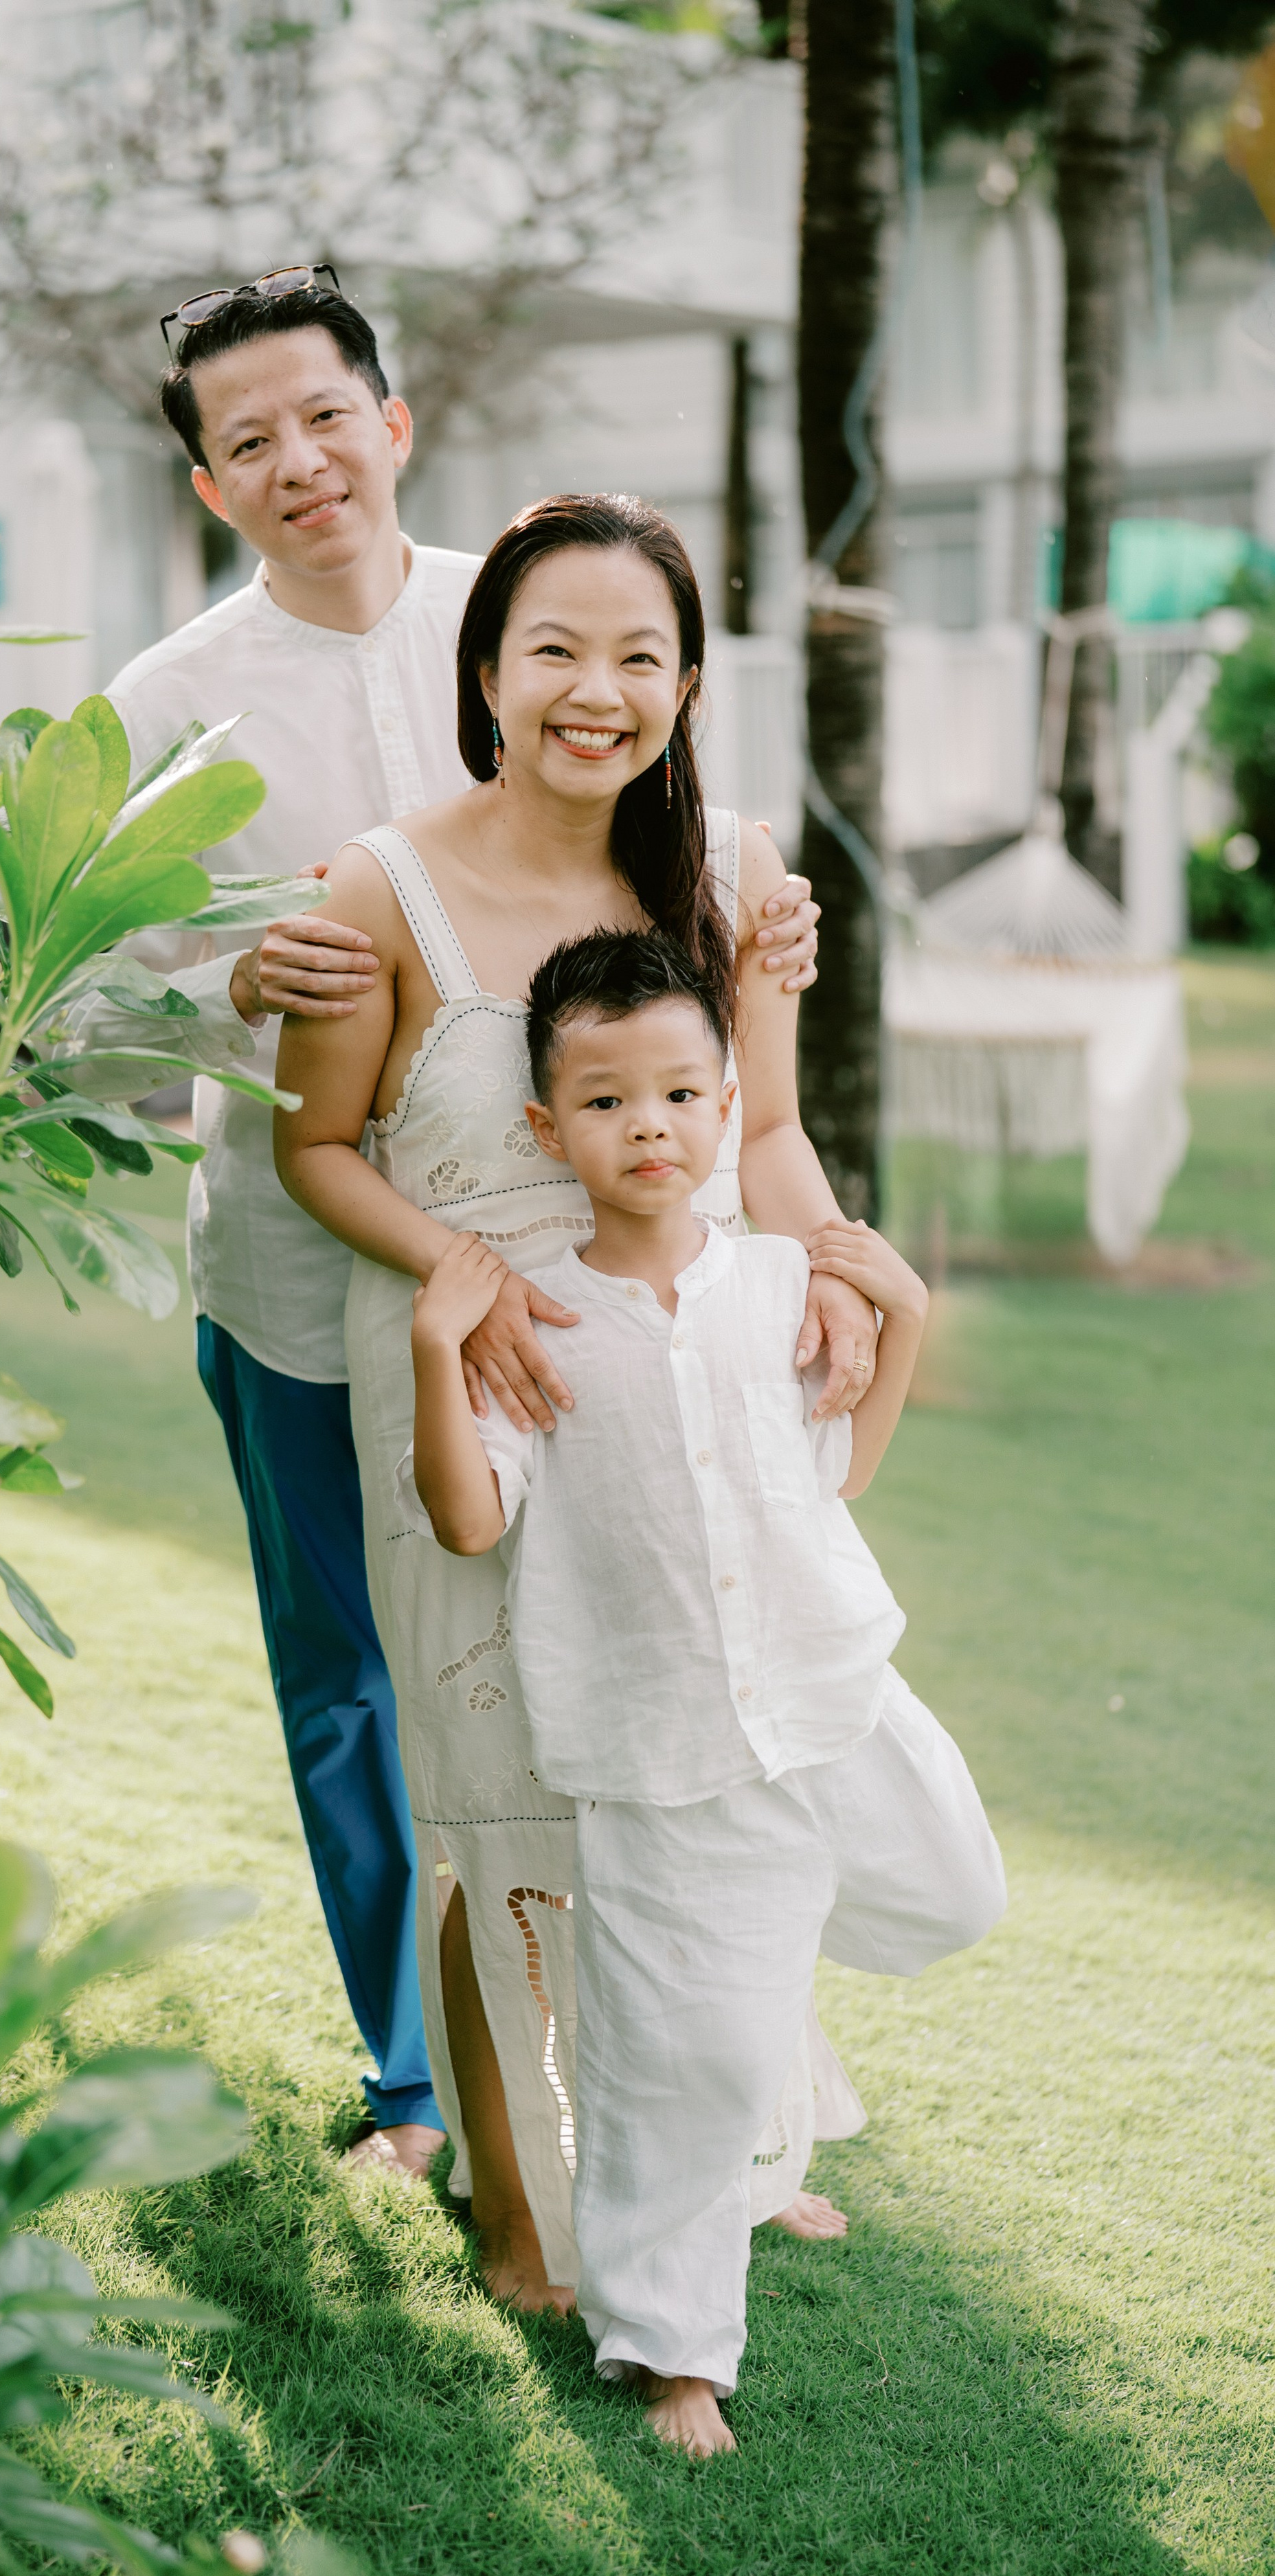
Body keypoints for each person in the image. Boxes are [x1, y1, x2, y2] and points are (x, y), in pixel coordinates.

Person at [67, 276, 835, 2184]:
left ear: (393, 420)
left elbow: (641, 806)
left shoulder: (515, 614)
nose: (298, 459)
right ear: (207, 481)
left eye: (325, 415)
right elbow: (58, 1011)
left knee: (616, 1673)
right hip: (299, 1271)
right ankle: (418, 2083)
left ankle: (657, 2082)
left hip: (568, 1273)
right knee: (355, 1684)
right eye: (249, 440)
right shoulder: (158, 713)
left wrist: (761, 927)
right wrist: (226, 988)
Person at [273, 492, 879, 2311]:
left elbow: (760, 1135)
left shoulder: (733, 877)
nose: (595, 690)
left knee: (715, 1780)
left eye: (639, 655)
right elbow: (315, 1145)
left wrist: (836, 1266)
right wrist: (468, 1286)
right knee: (496, 1806)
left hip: (685, 1403)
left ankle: (731, 2149)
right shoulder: (377, 886)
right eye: (554, 649)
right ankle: (523, 2210)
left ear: (689, 685)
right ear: (485, 673)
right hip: (482, 1390)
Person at [404, 926, 1007, 2455]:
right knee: (680, 2061)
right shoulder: (526, 1317)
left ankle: (758, 2009)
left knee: (952, 1894)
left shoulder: (775, 1282)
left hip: (826, 1688)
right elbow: (474, 1516)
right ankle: (674, 2352)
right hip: (653, 1742)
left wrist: (908, 1318)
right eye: (606, 1103)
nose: (649, 1126)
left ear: (725, 1101)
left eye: (679, 1093)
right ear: (550, 1131)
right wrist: (430, 1343)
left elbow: (839, 1477)